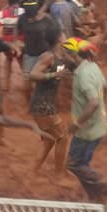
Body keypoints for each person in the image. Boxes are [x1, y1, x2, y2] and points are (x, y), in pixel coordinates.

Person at [63, 37, 107, 201]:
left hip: (86, 131)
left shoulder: (83, 75)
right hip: (97, 126)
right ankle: (95, 196)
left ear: (73, 55)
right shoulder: (92, 66)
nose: (62, 57)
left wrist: (77, 123)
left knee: (73, 164)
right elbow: (105, 89)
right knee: (82, 164)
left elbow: (93, 102)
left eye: (65, 54)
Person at [27, 27, 73, 177]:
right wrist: (54, 75)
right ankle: (59, 174)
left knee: (49, 140)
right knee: (63, 138)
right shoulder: (48, 56)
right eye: (63, 34)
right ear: (59, 38)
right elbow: (32, 75)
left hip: (46, 104)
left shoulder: (62, 55)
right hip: (42, 105)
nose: (66, 35)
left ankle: (32, 171)